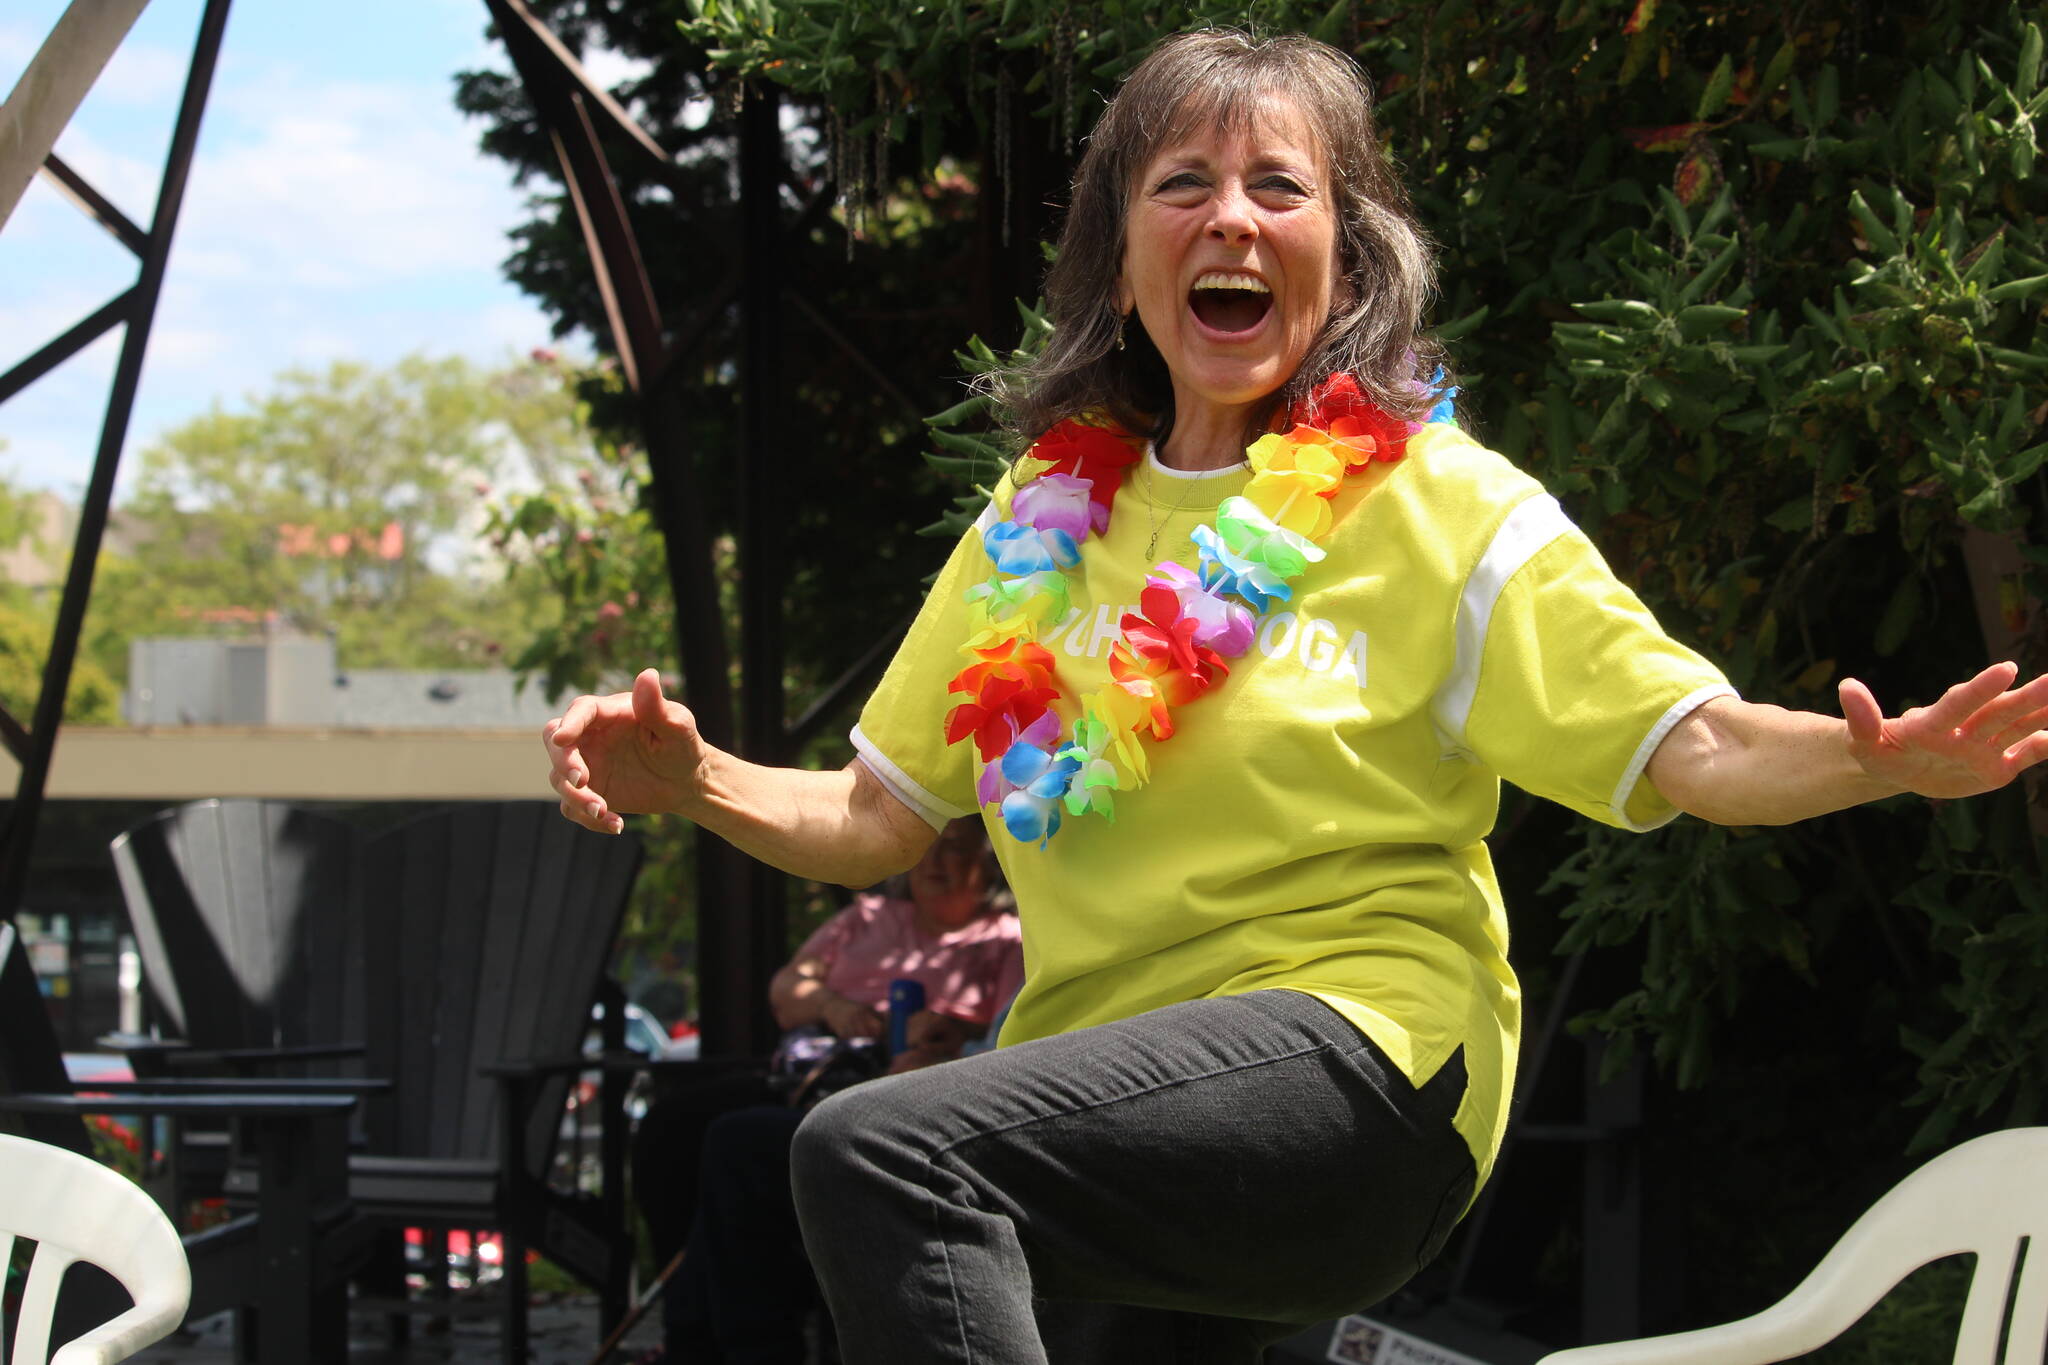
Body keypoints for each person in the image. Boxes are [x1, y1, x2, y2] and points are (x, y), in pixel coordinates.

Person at [546, 30, 2048, 1365]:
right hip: (1105, 1112)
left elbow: (1695, 741)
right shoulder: (1038, 522)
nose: (1233, 218)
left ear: (1345, 253)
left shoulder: (1435, 502)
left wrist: (1880, 759)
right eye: (1182, 184)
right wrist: (696, 781)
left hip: (1364, 1066)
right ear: (1120, 258)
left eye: (1280, 186)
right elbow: (878, 814)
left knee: (877, 1154)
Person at [633, 817, 1019, 1363]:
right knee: (671, 1127)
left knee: (738, 1143)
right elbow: (787, 991)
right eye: (928, 847)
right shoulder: (868, 917)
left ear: (987, 861)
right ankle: (692, 1323)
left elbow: (1007, 1041)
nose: (936, 862)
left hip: (907, 1089)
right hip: (812, 1070)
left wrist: (946, 1038)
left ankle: (730, 1344)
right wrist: (833, 1006)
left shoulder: (1004, 940)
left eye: (955, 848)